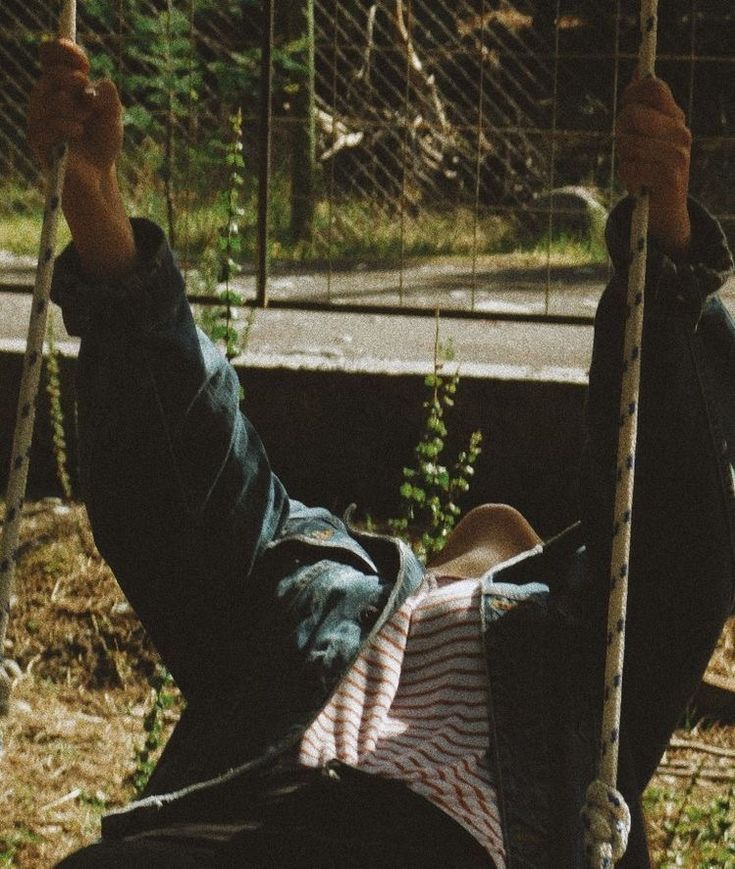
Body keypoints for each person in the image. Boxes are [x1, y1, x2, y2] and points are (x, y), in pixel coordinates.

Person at [27, 39, 734, 868]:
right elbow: (188, 474)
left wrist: (666, 257)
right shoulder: (321, 585)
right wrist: (97, 208)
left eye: (510, 538)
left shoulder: (582, 645)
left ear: (532, 568)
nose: (494, 530)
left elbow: (679, 535)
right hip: (241, 830)